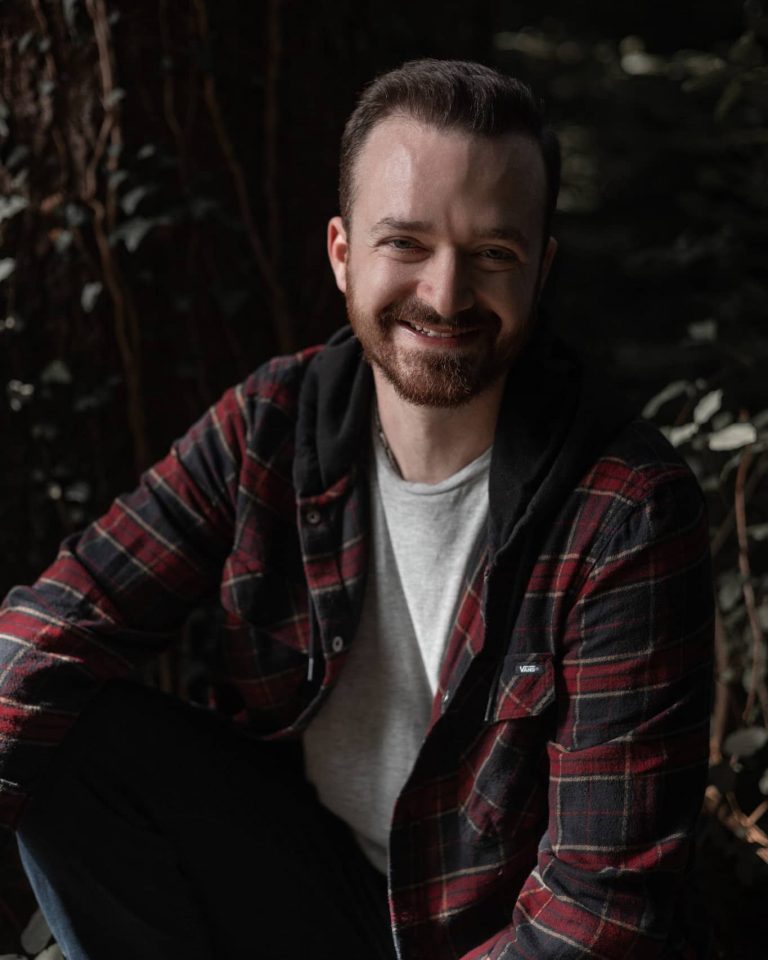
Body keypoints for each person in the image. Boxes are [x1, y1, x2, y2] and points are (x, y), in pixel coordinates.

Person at [0, 59, 713, 959]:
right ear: (342, 253)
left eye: (493, 253)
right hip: (307, 890)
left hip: (490, 936)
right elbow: (55, 624)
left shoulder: (628, 513)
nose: (446, 294)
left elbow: (595, 917)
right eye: (405, 243)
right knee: (67, 728)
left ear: (541, 269)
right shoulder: (273, 421)